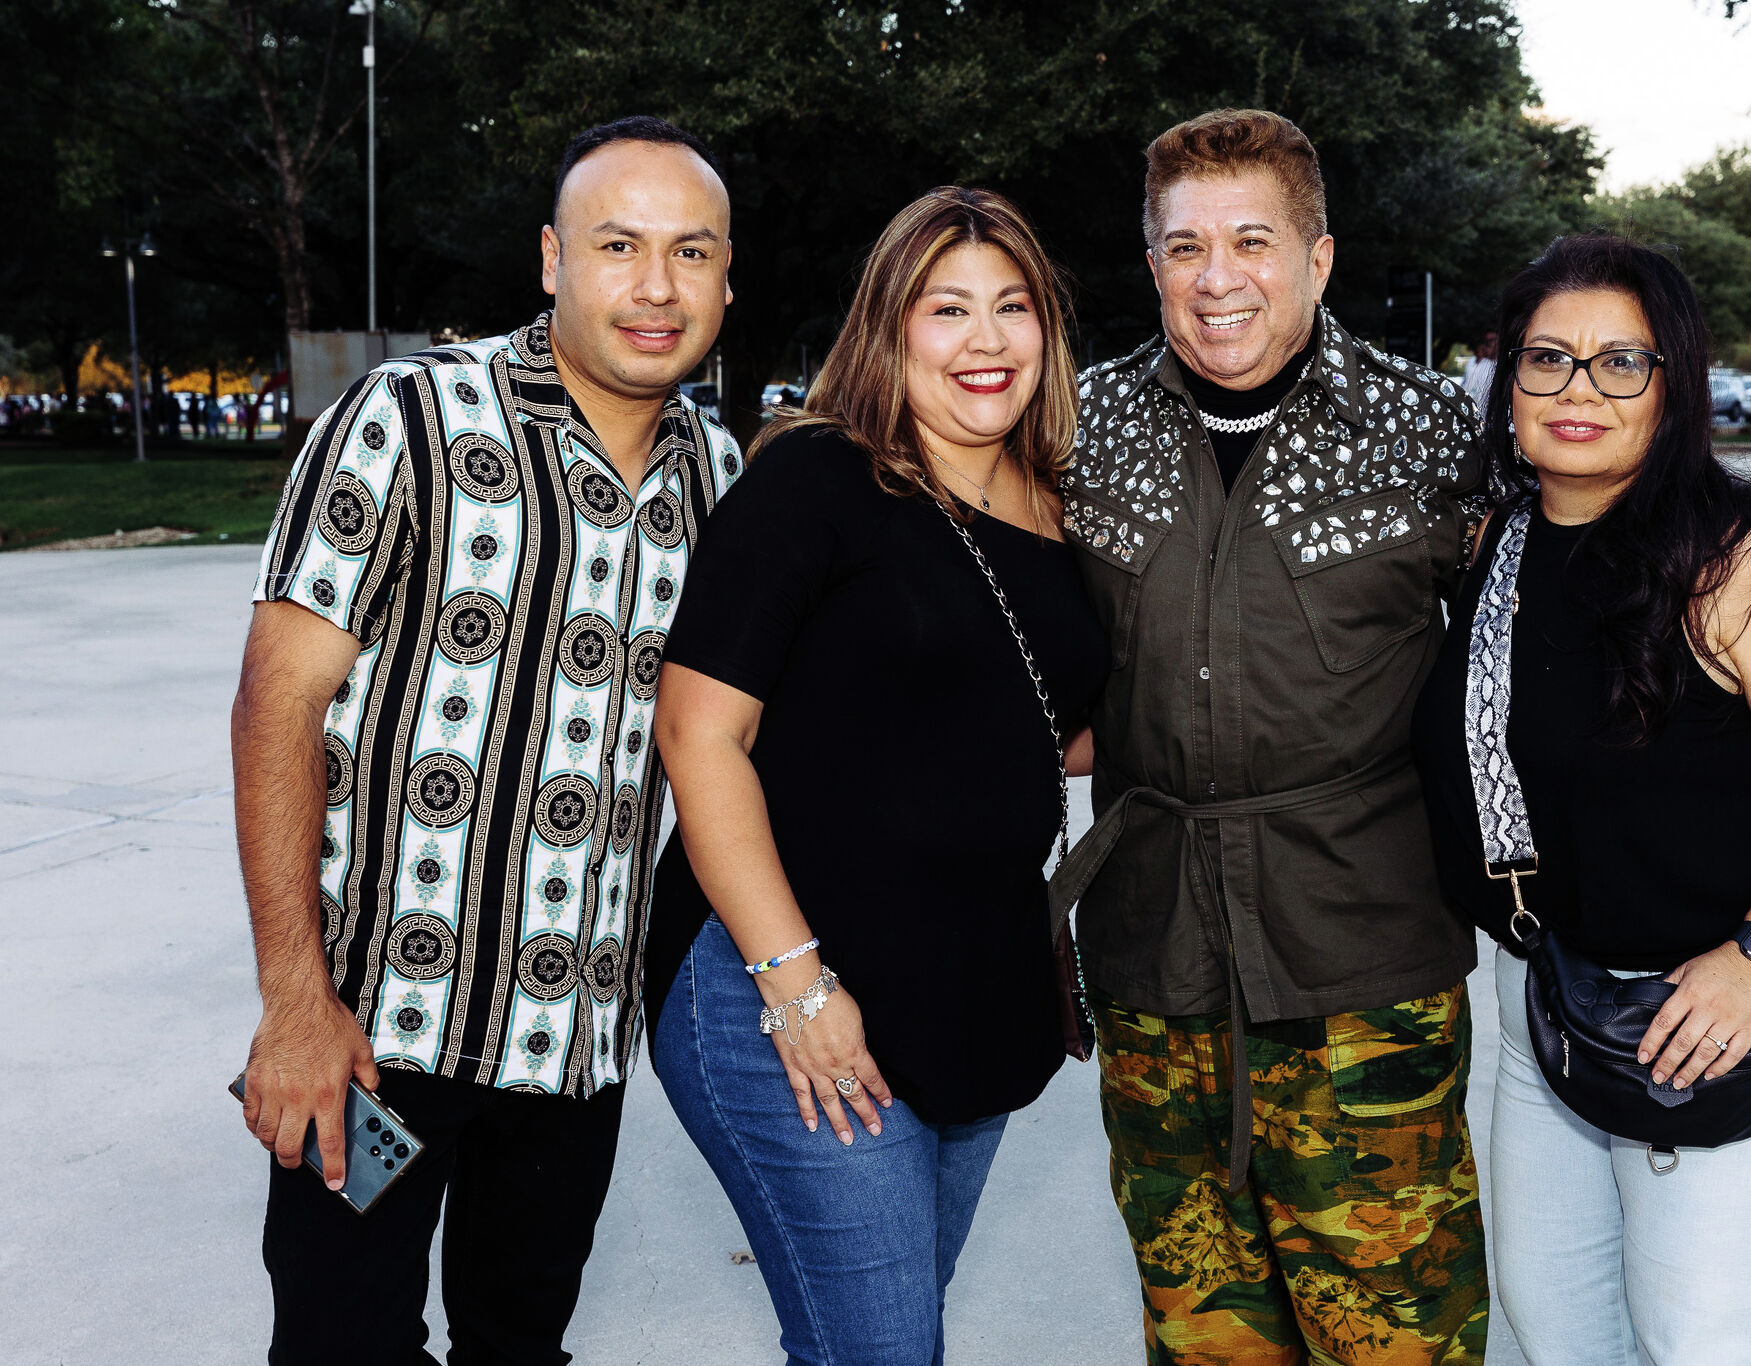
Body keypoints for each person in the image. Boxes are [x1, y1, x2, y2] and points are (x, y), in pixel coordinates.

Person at [231, 114, 742, 1364]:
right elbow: (276, 702)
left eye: (692, 252)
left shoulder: (721, 475)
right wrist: (295, 1004)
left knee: (518, 1346)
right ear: (553, 259)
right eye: (618, 245)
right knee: (340, 1345)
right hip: (372, 1038)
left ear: (728, 277)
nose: (656, 286)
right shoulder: (409, 416)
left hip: (571, 1057)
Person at [1410, 233, 1751, 1364]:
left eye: (1619, 362)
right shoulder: (1493, 542)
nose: (1577, 389)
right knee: (1556, 1330)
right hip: (1545, 1004)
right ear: (1505, 384)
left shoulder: (1727, 558)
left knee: (1696, 1337)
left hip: (1717, 1014)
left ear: (1671, 384)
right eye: (1546, 359)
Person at [644, 186, 1110, 1365]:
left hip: (975, 989)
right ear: (889, 327)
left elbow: (1040, 723)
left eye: (1012, 307)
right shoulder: (814, 482)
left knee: (869, 1338)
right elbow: (699, 737)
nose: (986, 341)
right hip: (784, 985)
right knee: (884, 1350)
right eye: (946, 309)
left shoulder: (1057, 510)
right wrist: (796, 989)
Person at [1053, 108, 1490, 1363]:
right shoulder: (1081, 432)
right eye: (1183, 246)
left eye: (1251, 239)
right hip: (1150, 962)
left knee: (1397, 1336)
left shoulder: (1428, 433)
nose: (1216, 277)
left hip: (1361, 966)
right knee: (1202, 1337)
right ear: (1150, 267)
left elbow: (1530, 642)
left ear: (1318, 257)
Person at [1463, 330, 1498, 422]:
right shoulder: (1474, 362)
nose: (1489, 344)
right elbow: (1467, 388)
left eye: (1492, 340)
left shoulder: (1503, 364)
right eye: (1487, 341)